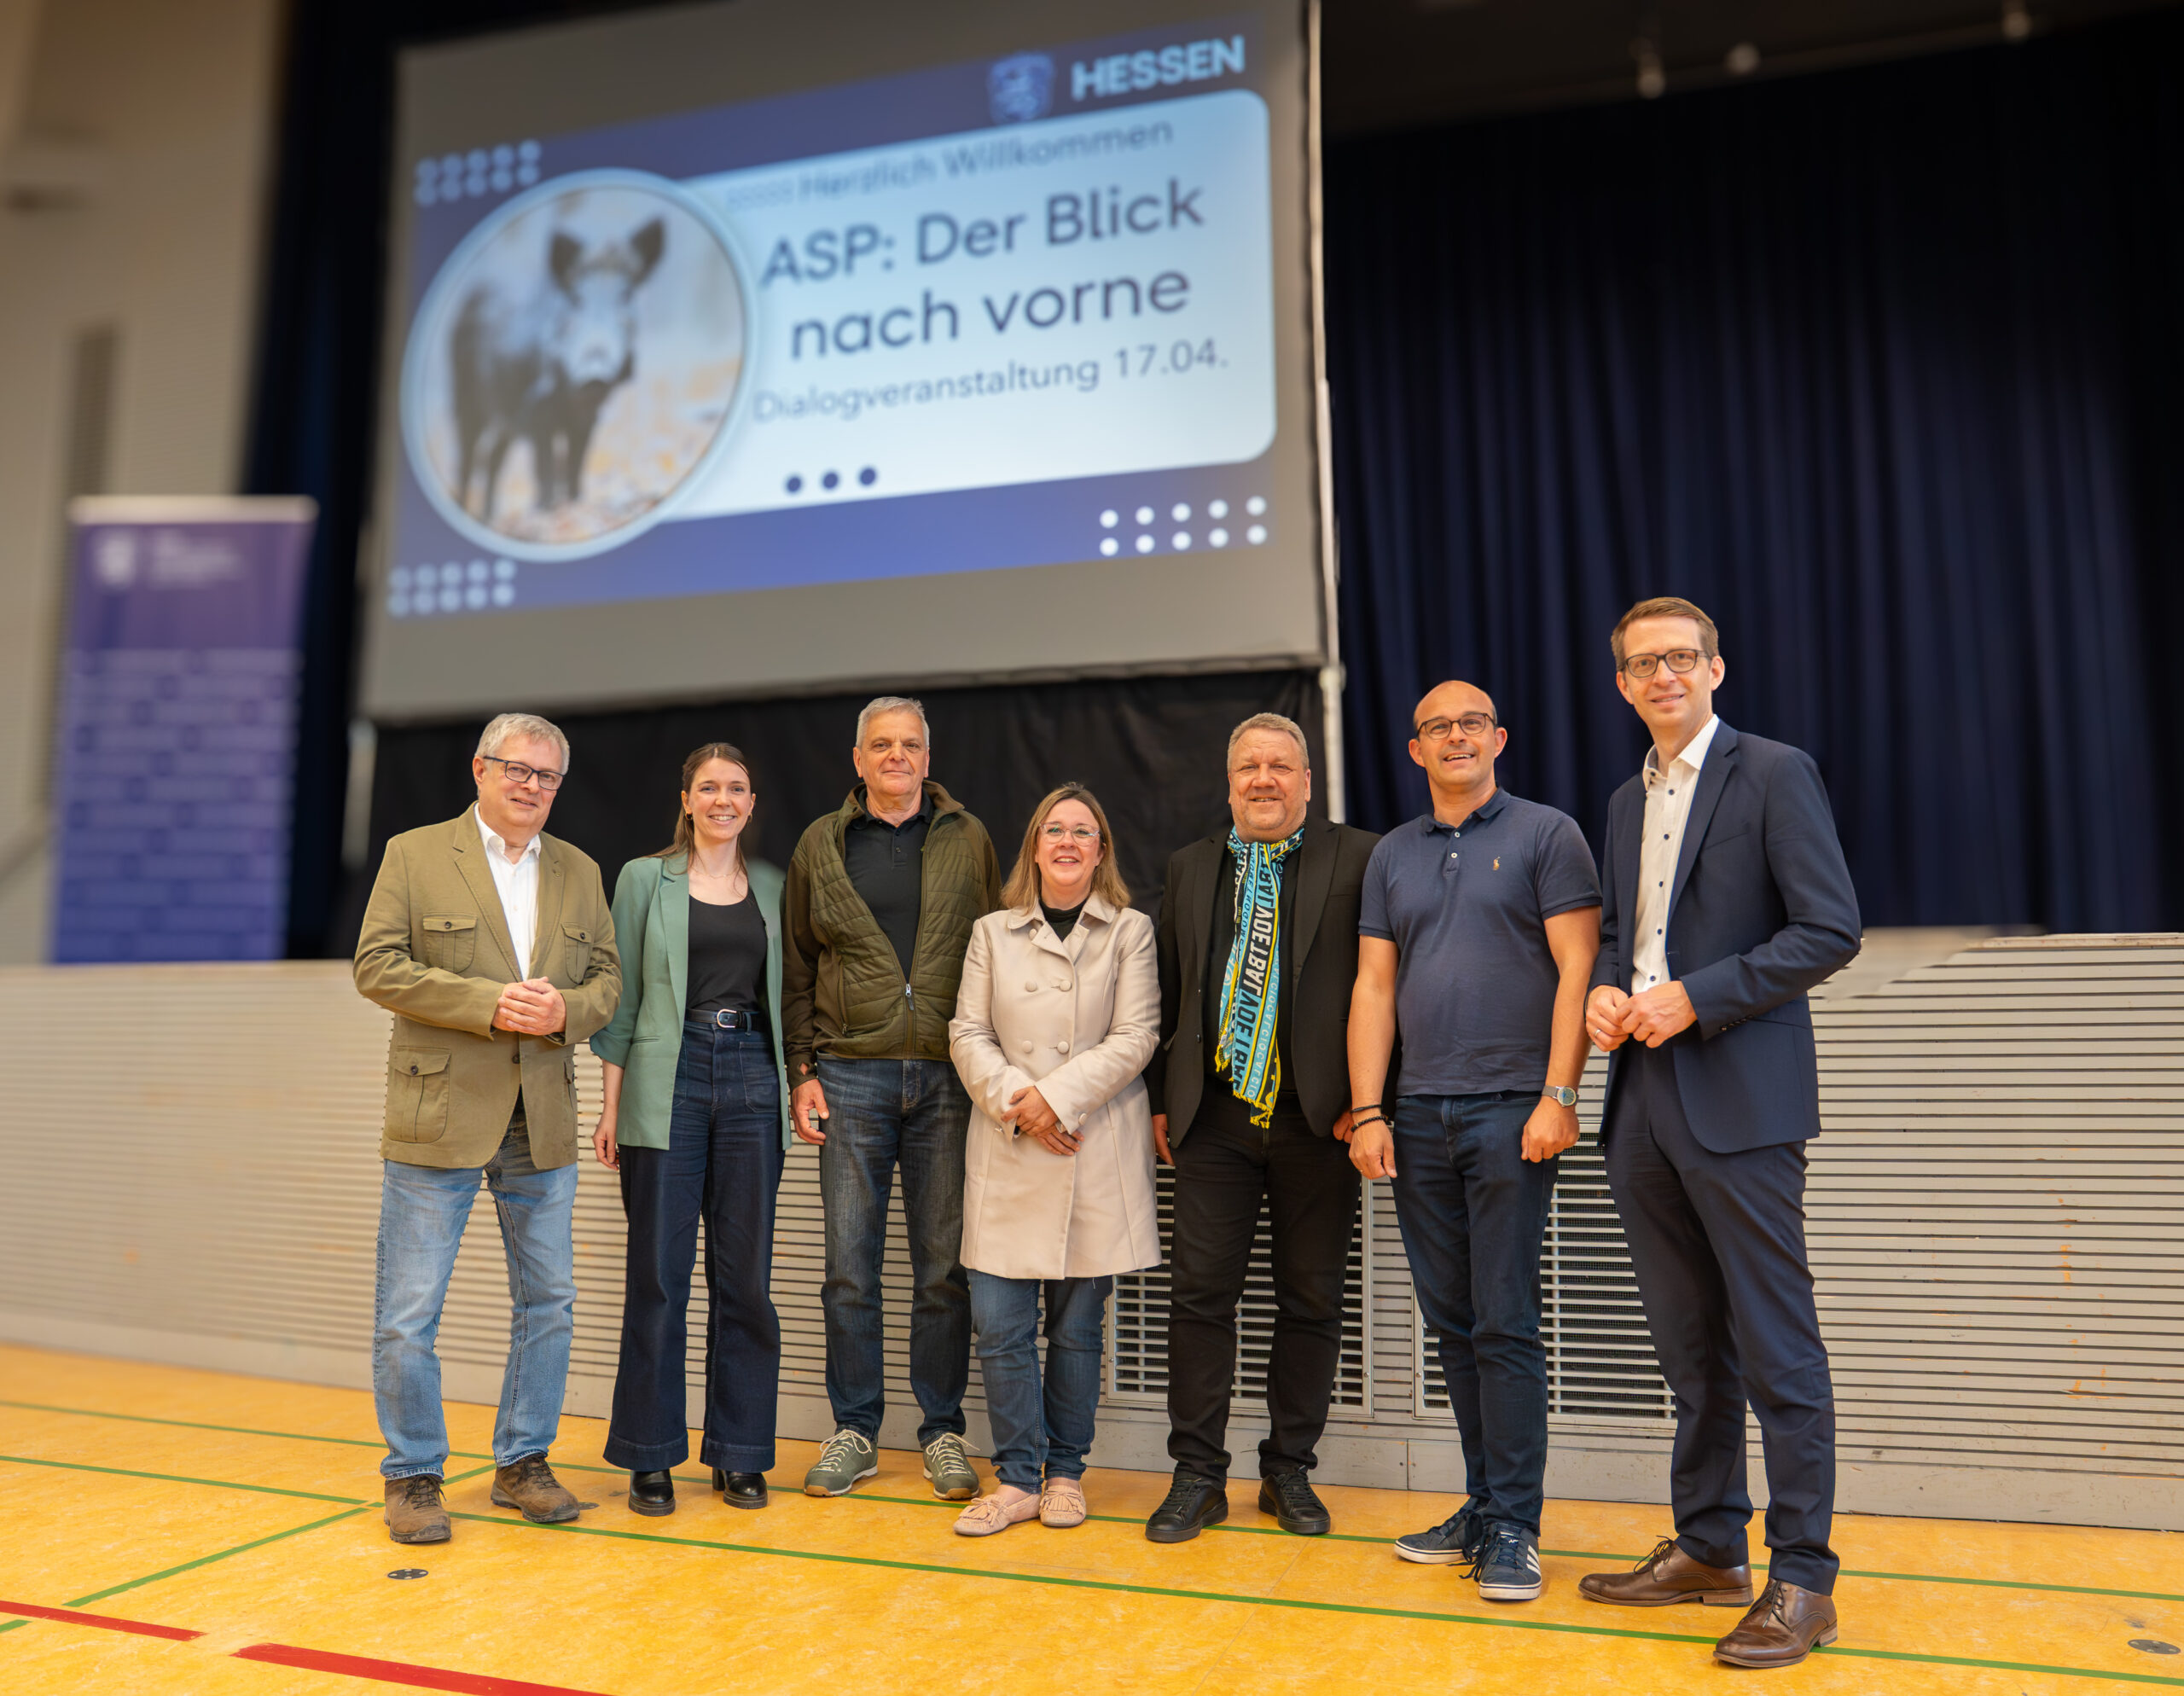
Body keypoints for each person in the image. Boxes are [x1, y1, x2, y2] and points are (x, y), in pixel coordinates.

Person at [1577, 597, 1860, 1670]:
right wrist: (1610, 992)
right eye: (1641, 662)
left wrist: (1699, 995)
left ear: (1715, 668)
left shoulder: (1773, 771)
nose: (1662, 675)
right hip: (1643, 1097)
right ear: (1620, 683)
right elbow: (1621, 933)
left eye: (1679, 658)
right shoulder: (1621, 798)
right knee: (1689, 1345)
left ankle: (1803, 1578)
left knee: (1775, 1343)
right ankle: (1708, 1545)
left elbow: (1829, 928)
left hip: (1739, 1089)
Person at [1346, 682, 1600, 1602]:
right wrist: (1368, 1109)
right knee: (1453, 1324)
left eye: (1469, 723)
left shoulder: (1546, 833)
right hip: (1416, 1114)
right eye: (1435, 727)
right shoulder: (1391, 855)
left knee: (1504, 1321)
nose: (1454, 736)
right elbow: (1375, 987)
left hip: (1511, 1112)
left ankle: (1515, 1528)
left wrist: (1559, 1093)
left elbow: (1579, 967)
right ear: (1414, 749)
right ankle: (1484, 1502)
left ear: (1498, 737)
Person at [354, 712, 621, 1546]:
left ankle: (523, 1462)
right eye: (517, 769)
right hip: (439, 1113)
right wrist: (487, 1003)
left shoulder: (578, 869)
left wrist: (565, 1009)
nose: (530, 786)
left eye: (546, 776)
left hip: (539, 1114)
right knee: (409, 1311)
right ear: (480, 768)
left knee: (550, 1301)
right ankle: (413, 1474)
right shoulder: (414, 852)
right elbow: (376, 964)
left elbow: (608, 980)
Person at [1143, 712, 1381, 1542]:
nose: (1263, 780)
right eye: (1248, 766)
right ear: (1230, 778)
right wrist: (1159, 1097)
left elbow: (1388, 984)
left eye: (1280, 766)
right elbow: (1167, 991)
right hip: (1213, 1118)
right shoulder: (1188, 866)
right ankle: (1197, 1473)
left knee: (1311, 1298)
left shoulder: (1358, 857)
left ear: (1307, 781)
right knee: (1199, 1296)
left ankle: (1288, 1469)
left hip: (1322, 1119)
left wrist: (1372, 1096)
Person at [782, 697, 1003, 1501]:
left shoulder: (968, 837)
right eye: (882, 745)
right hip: (849, 1077)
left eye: (910, 744)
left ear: (928, 753)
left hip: (949, 1077)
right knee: (849, 1266)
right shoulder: (821, 843)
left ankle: (943, 1431)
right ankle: (855, 1429)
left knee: (944, 1270)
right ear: (858, 759)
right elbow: (799, 967)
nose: (897, 757)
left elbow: (995, 950)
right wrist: (800, 1070)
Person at [945, 784, 1159, 1536]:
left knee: (1075, 1331)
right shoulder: (991, 933)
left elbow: (1136, 1036)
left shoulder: (1129, 930)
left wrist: (1057, 1101)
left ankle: (1065, 1472)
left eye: (1084, 832)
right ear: (1034, 846)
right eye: (1054, 831)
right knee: (1000, 1327)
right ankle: (1015, 1478)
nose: (1068, 843)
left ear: (1101, 851)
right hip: (1009, 1145)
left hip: (1090, 1146)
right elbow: (967, 1033)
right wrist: (1019, 1103)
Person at [590, 743, 792, 1515]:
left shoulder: (772, 887)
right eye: (708, 787)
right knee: (658, 1278)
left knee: (745, 1282)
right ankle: (649, 1455)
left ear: (749, 801)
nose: (722, 799)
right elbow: (621, 999)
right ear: (686, 799)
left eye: (735, 788)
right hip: (664, 1080)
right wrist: (610, 1108)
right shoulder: (645, 879)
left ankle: (740, 1453)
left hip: (751, 1078)